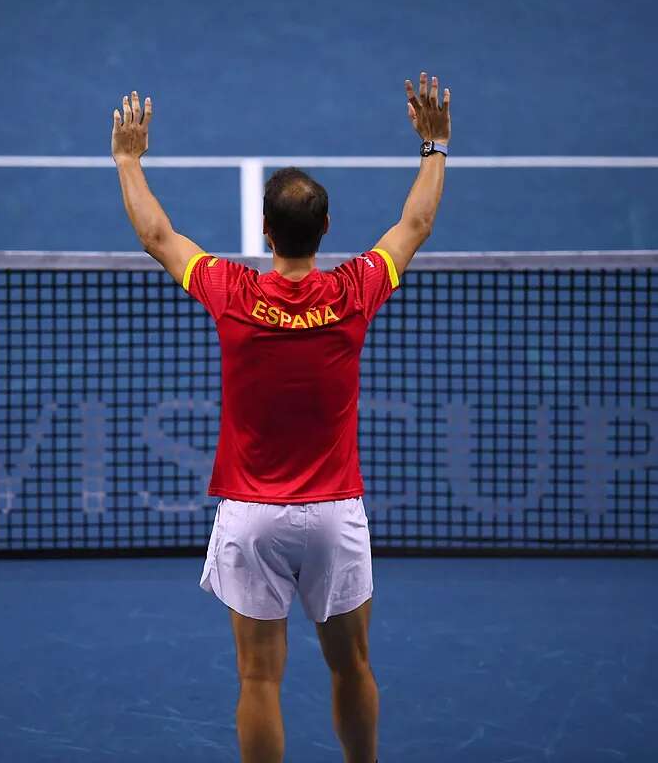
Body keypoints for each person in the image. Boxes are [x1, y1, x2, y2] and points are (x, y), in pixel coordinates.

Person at [111, 72, 450, 763]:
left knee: (258, 677)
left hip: (252, 516)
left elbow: (156, 233)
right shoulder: (356, 291)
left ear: (265, 231)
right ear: (325, 228)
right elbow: (414, 224)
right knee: (350, 665)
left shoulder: (230, 293)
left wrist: (127, 159)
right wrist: (434, 144)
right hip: (334, 515)